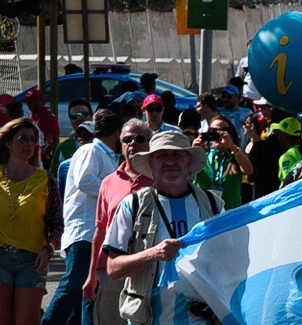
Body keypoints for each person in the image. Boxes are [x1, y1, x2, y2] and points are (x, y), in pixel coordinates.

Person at [104, 131, 223, 325]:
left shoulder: (213, 205)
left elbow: (230, 260)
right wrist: (154, 253)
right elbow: (113, 269)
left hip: (201, 319)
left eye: (177, 154)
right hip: (148, 319)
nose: (170, 162)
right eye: (162, 155)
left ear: (189, 161)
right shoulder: (131, 206)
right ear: (151, 163)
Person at [45, 109, 122, 325]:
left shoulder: (106, 155)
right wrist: (116, 191)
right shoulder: (91, 151)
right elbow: (85, 181)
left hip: (95, 233)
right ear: (117, 132)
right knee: (74, 283)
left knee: (89, 288)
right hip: (84, 231)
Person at [82, 119, 153, 325]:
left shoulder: (158, 180)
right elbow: (100, 231)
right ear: (120, 144)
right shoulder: (108, 182)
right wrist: (92, 275)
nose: (133, 143)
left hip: (147, 268)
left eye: (140, 139)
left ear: (149, 143)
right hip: (111, 271)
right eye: (127, 139)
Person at [0, 118, 62, 325]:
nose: (28, 144)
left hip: (32, 260)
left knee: (27, 320)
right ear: (8, 143)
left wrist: (48, 249)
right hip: (0, 256)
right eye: (22, 139)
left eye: (33, 140)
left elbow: (56, 223)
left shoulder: (45, 179)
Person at [195, 115, 253, 209]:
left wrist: (232, 147)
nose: (219, 133)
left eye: (224, 130)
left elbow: (249, 171)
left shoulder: (235, 157)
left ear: (232, 134)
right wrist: (194, 151)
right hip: (205, 213)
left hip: (231, 215)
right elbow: (185, 176)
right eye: (214, 131)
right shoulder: (202, 157)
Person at [247, 117, 296, 200]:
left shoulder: (258, 147)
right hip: (284, 198)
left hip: (261, 199)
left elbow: (250, 177)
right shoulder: (292, 151)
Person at [49, 99, 93, 175]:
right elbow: (54, 175)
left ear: (91, 116)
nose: (79, 119)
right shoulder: (63, 147)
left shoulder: (103, 142)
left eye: (83, 114)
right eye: (74, 116)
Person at [21, 89, 59, 168]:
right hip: (32, 156)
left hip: (45, 158)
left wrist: (54, 158)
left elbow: (55, 138)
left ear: (37, 101)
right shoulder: (31, 117)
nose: (27, 105)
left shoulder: (49, 117)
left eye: (29, 102)